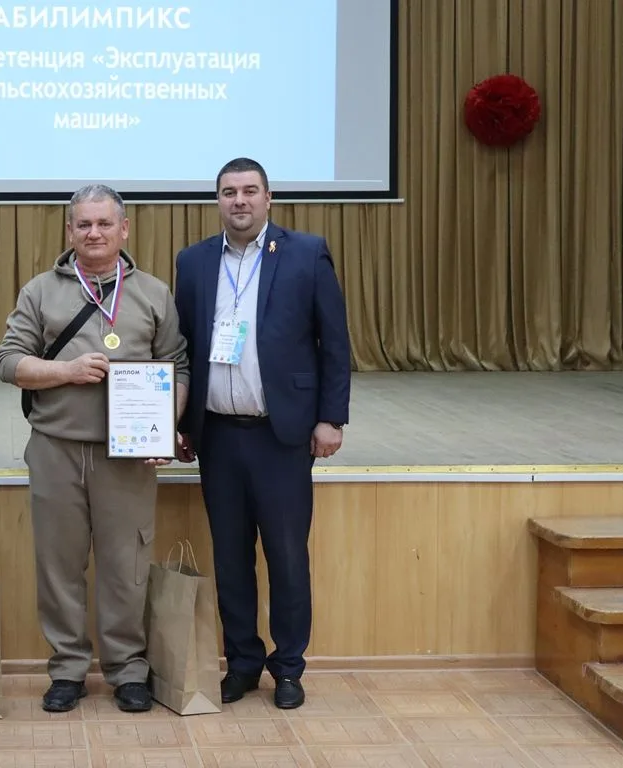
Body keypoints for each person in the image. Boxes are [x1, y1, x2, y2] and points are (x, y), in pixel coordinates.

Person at [0, 184, 189, 713]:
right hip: (56, 448)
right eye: (84, 224)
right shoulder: (40, 291)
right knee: (59, 566)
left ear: (124, 229)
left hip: (127, 456)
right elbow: (9, 362)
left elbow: (178, 366)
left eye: (105, 223)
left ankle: (128, 669)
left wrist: (164, 426)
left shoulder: (153, 293)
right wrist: (67, 371)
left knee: (126, 565)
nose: (94, 232)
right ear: (70, 231)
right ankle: (67, 669)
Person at [173, 158, 351, 709]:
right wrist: (180, 423)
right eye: (229, 192)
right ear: (217, 201)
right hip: (218, 436)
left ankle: (289, 668)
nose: (240, 201)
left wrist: (331, 418)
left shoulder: (305, 253)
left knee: (287, 557)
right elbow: (184, 348)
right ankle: (243, 664)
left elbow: (334, 342)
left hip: (282, 435)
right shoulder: (194, 261)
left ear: (269, 198)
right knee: (231, 559)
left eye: (250, 190)